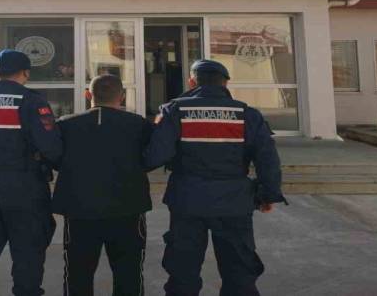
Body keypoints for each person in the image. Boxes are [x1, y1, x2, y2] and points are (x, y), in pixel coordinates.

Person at [144, 59, 286, 296]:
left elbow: (156, 156)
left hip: (188, 201)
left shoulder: (175, 110)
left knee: (183, 272)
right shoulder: (247, 114)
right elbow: (268, 159)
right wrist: (268, 195)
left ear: (192, 82)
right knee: (239, 272)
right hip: (234, 202)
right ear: (225, 83)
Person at [0, 49, 63, 296]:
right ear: (26, 72)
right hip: (23, 189)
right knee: (28, 251)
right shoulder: (31, 101)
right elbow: (51, 147)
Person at [51, 74, 153, 296]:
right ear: (122, 96)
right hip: (128, 209)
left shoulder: (66, 124)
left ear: (88, 95)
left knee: (78, 274)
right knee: (129, 273)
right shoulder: (139, 124)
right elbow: (154, 155)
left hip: (80, 210)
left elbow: (53, 155)